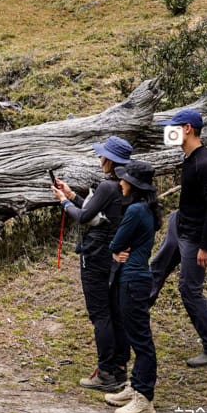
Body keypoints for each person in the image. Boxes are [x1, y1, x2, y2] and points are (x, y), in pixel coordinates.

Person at [52, 136, 133, 392]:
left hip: (96, 254)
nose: (100, 159)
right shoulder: (127, 185)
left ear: (110, 160)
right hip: (114, 254)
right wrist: (72, 195)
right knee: (114, 312)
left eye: (103, 155)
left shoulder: (108, 187)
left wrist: (64, 202)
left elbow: (85, 217)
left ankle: (106, 372)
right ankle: (119, 368)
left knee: (100, 314)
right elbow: (99, 215)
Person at [150, 109, 207, 367]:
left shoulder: (206, 164)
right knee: (156, 271)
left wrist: (206, 246)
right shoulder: (189, 158)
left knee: (189, 290)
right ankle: (132, 317)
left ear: (186, 129)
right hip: (179, 225)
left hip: (194, 237)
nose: (167, 132)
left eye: (171, 127)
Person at [104, 160, 162, 413]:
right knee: (134, 334)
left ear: (134, 184)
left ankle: (144, 398)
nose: (120, 182)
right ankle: (135, 386)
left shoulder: (136, 211)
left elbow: (116, 243)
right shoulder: (146, 208)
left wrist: (115, 249)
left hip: (133, 279)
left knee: (140, 339)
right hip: (136, 277)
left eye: (124, 179)